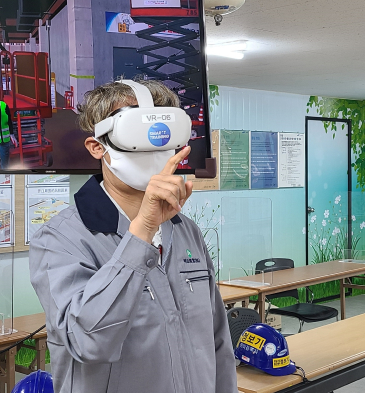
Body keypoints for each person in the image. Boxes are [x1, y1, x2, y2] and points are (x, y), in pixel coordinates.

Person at [28, 79, 237, 393]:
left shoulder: (186, 230)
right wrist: (141, 233)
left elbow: (218, 341)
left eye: (161, 132)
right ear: (97, 147)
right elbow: (87, 342)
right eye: (137, 133)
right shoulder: (59, 239)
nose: (152, 145)